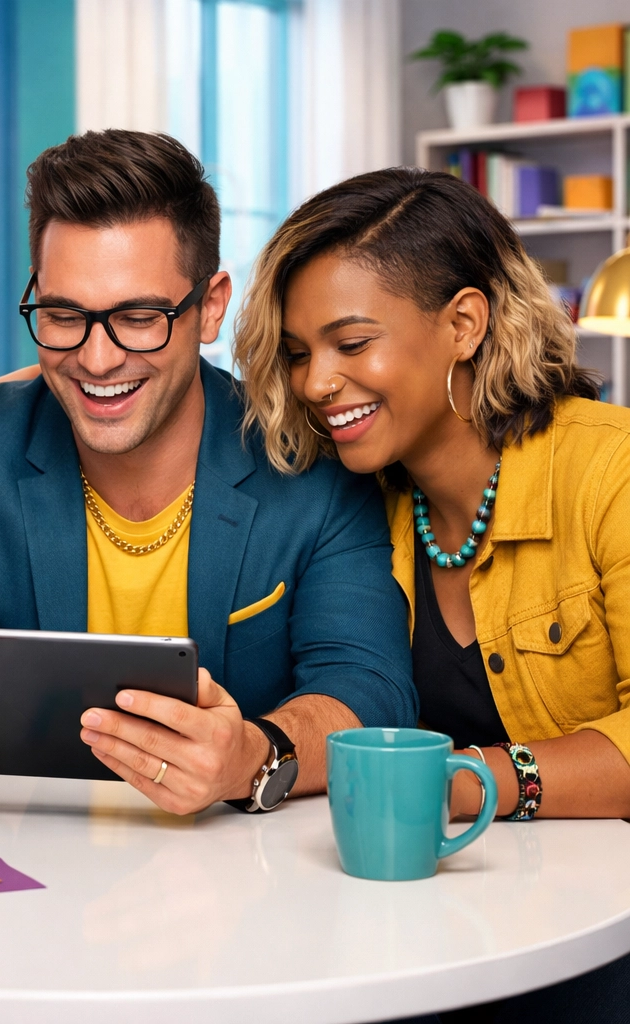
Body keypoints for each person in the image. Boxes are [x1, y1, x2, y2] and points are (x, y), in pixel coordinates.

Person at [0, 129, 415, 816]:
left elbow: (367, 687)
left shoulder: (311, 458)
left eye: (139, 317)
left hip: (248, 881)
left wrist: (253, 755)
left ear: (210, 307)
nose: (96, 359)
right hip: (22, 870)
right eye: (63, 315)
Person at [234, 166, 630, 1021]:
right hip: (429, 934)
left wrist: (463, 782)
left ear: (463, 323)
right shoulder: (356, 508)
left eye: (350, 343)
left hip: (603, 940)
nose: (313, 383)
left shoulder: (610, 472)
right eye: (300, 354)